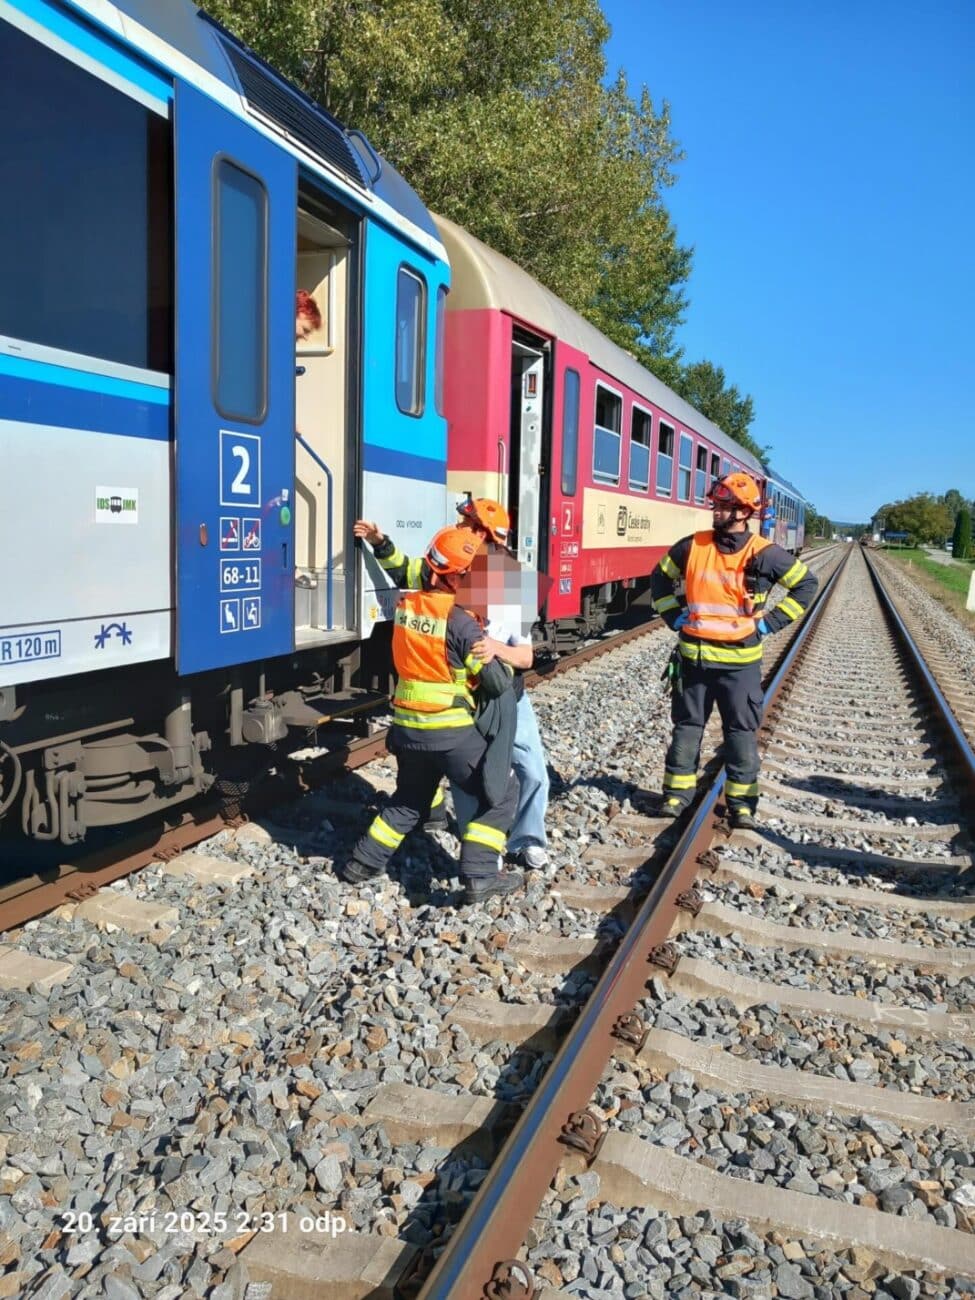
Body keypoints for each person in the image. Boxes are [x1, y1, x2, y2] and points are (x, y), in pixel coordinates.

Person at [354, 500, 552, 867]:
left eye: (471, 526)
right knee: (470, 782)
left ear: (491, 538)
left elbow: (526, 657)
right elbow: (408, 573)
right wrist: (381, 542)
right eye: (464, 523)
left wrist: (495, 649)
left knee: (532, 770)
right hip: (466, 698)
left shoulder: (519, 582)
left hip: (507, 694)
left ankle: (528, 840)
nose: (463, 529)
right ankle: (478, 854)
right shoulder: (452, 569)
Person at [342, 526, 523, 904]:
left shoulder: (409, 607)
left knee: (410, 798)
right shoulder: (461, 623)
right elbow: (495, 684)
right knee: (503, 792)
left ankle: (361, 863)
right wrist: (504, 663)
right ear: (457, 576)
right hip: (450, 732)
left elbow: (399, 570)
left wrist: (380, 541)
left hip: (407, 727)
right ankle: (479, 876)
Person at [650, 472, 819, 829]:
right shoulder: (691, 545)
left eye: (725, 506)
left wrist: (768, 623)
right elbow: (659, 577)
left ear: (744, 512)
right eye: (716, 504)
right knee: (687, 727)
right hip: (694, 658)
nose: (716, 510)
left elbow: (806, 584)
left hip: (738, 664)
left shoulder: (765, 554)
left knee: (740, 733)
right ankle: (676, 796)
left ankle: (742, 805)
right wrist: (671, 615)